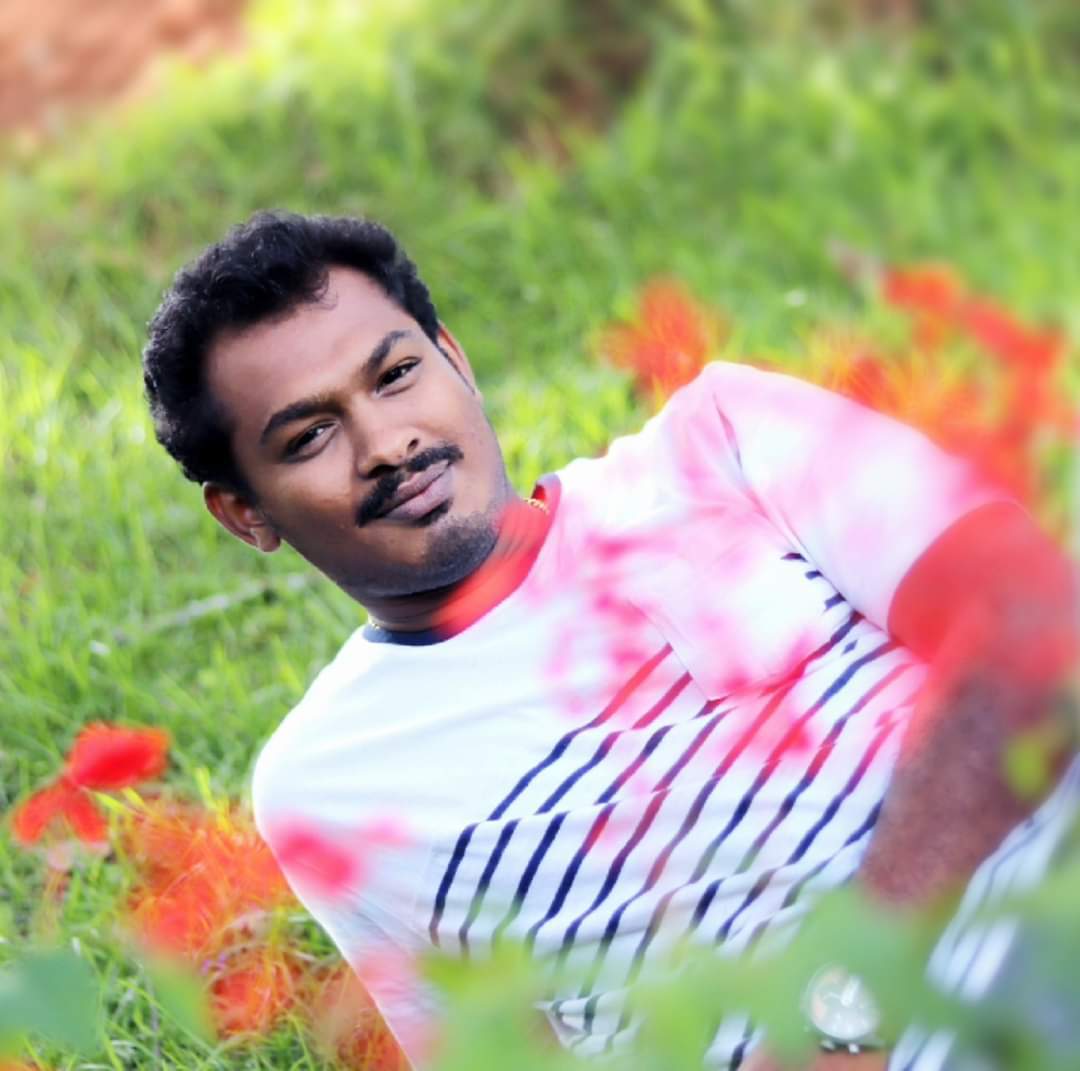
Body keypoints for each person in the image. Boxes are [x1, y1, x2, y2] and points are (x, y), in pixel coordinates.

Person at [142, 211, 1078, 1071]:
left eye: (395, 376)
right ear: (245, 513)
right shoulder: (329, 783)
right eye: (310, 436)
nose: (386, 443)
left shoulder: (725, 442)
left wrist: (845, 1010)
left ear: (454, 359)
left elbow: (1039, 626)